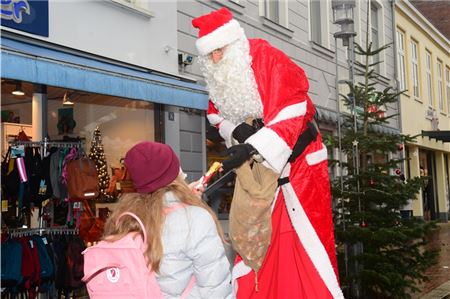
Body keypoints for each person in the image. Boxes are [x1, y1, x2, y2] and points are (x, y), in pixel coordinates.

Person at [192, 8, 343, 299]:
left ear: (233, 44)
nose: (216, 60)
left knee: (306, 245)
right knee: (261, 237)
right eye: (210, 55)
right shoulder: (221, 81)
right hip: (262, 177)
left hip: (300, 170)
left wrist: (252, 147)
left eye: (219, 51)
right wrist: (237, 131)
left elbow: (294, 108)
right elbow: (214, 115)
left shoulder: (266, 58)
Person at [102, 141, 232, 298]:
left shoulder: (125, 218)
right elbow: (215, 290)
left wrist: (183, 200)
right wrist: (188, 205)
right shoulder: (196, 219)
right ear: (176, 174)